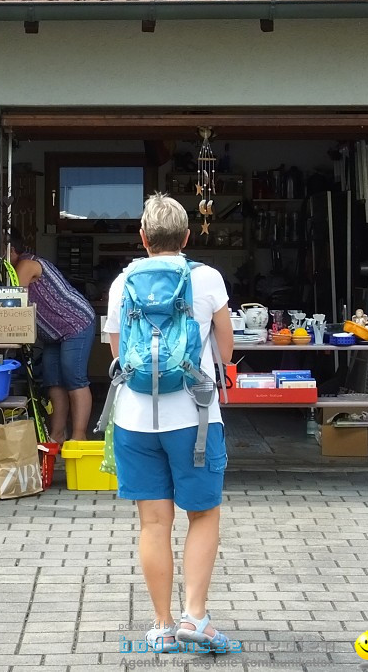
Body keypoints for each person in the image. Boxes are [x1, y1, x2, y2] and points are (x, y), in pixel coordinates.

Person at [103, 193, 234, 653]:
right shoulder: (208, 278)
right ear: (186, 236)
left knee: (153, 524)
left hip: (135, 419)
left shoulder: (122, 284)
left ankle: (160, 626)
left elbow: (117, 352)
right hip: (195, 417)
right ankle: (195, 617)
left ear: (142, 238)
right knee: (202, 514)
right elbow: (227, 349)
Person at [8, 231, 97, 443]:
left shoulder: (26, 265)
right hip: (53, 334)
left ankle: (78, 437)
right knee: (54, 383)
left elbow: (13, 299)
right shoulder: (17, 267)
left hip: (75, 324)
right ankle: (56, 437)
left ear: (12, 251)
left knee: (75, 380)